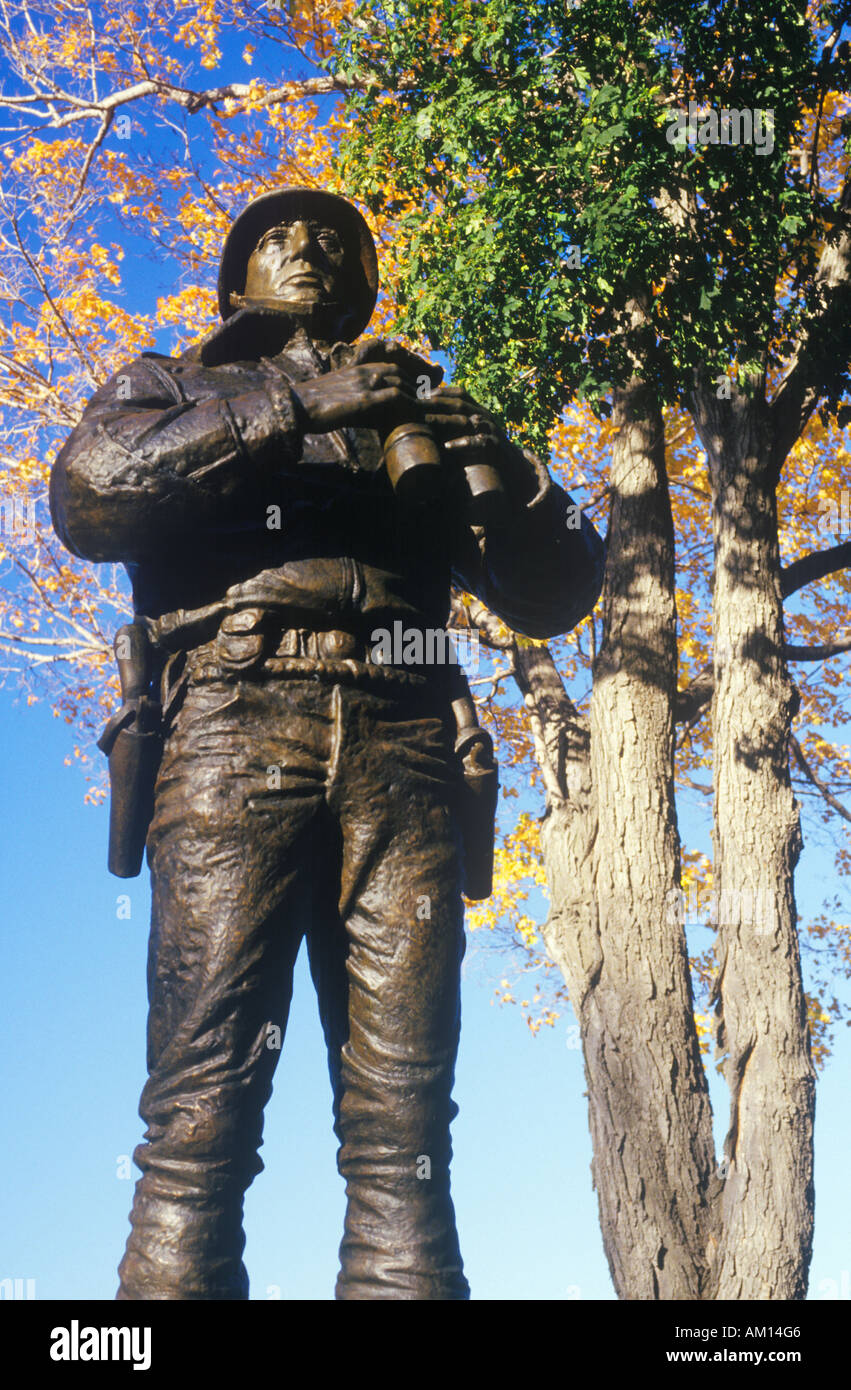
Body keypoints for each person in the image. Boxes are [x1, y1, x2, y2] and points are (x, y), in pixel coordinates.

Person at [50, 186, 605, 1300]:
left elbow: (548, 600)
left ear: (359, 277)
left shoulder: (413, 412)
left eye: (331, 241)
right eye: (278, 236)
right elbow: (93, 496)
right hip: (232, 723)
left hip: (405, 739)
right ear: (237, 273)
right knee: (199, 1106)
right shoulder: (174, 383)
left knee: (404, 1127)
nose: (306, 249)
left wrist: (518, 474)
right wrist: (293, 412)